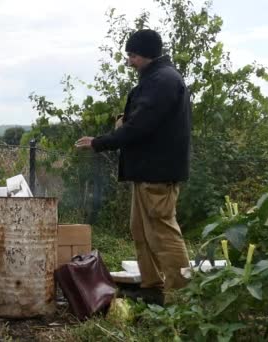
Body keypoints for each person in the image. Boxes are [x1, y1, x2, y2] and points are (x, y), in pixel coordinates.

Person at [75, 29, 191, 305]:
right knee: (140, 228)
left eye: (133, 55)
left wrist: (100, 142)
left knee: (162, 231)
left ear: (147, 54)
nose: (129, 61)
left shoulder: (162, 81)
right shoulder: (157, 78)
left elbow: (140, 126)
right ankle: (152, 286)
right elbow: (142, 120)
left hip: (158, 172)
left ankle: (183, 295)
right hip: (147, 171)